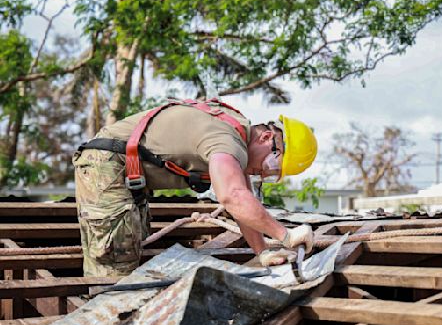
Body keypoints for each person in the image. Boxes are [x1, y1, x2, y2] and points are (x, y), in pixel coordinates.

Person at [73, 98, 318, 277]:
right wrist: (285, 235)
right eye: (273, 163)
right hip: (106, 164)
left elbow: (243, 201)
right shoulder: (227, 140)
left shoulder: (236, 131)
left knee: (130, 248)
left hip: (123, 170)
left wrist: (262, 251)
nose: (265, 172)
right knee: (114, 267)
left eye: (274, 174)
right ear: (266, 138)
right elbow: (232, 196)